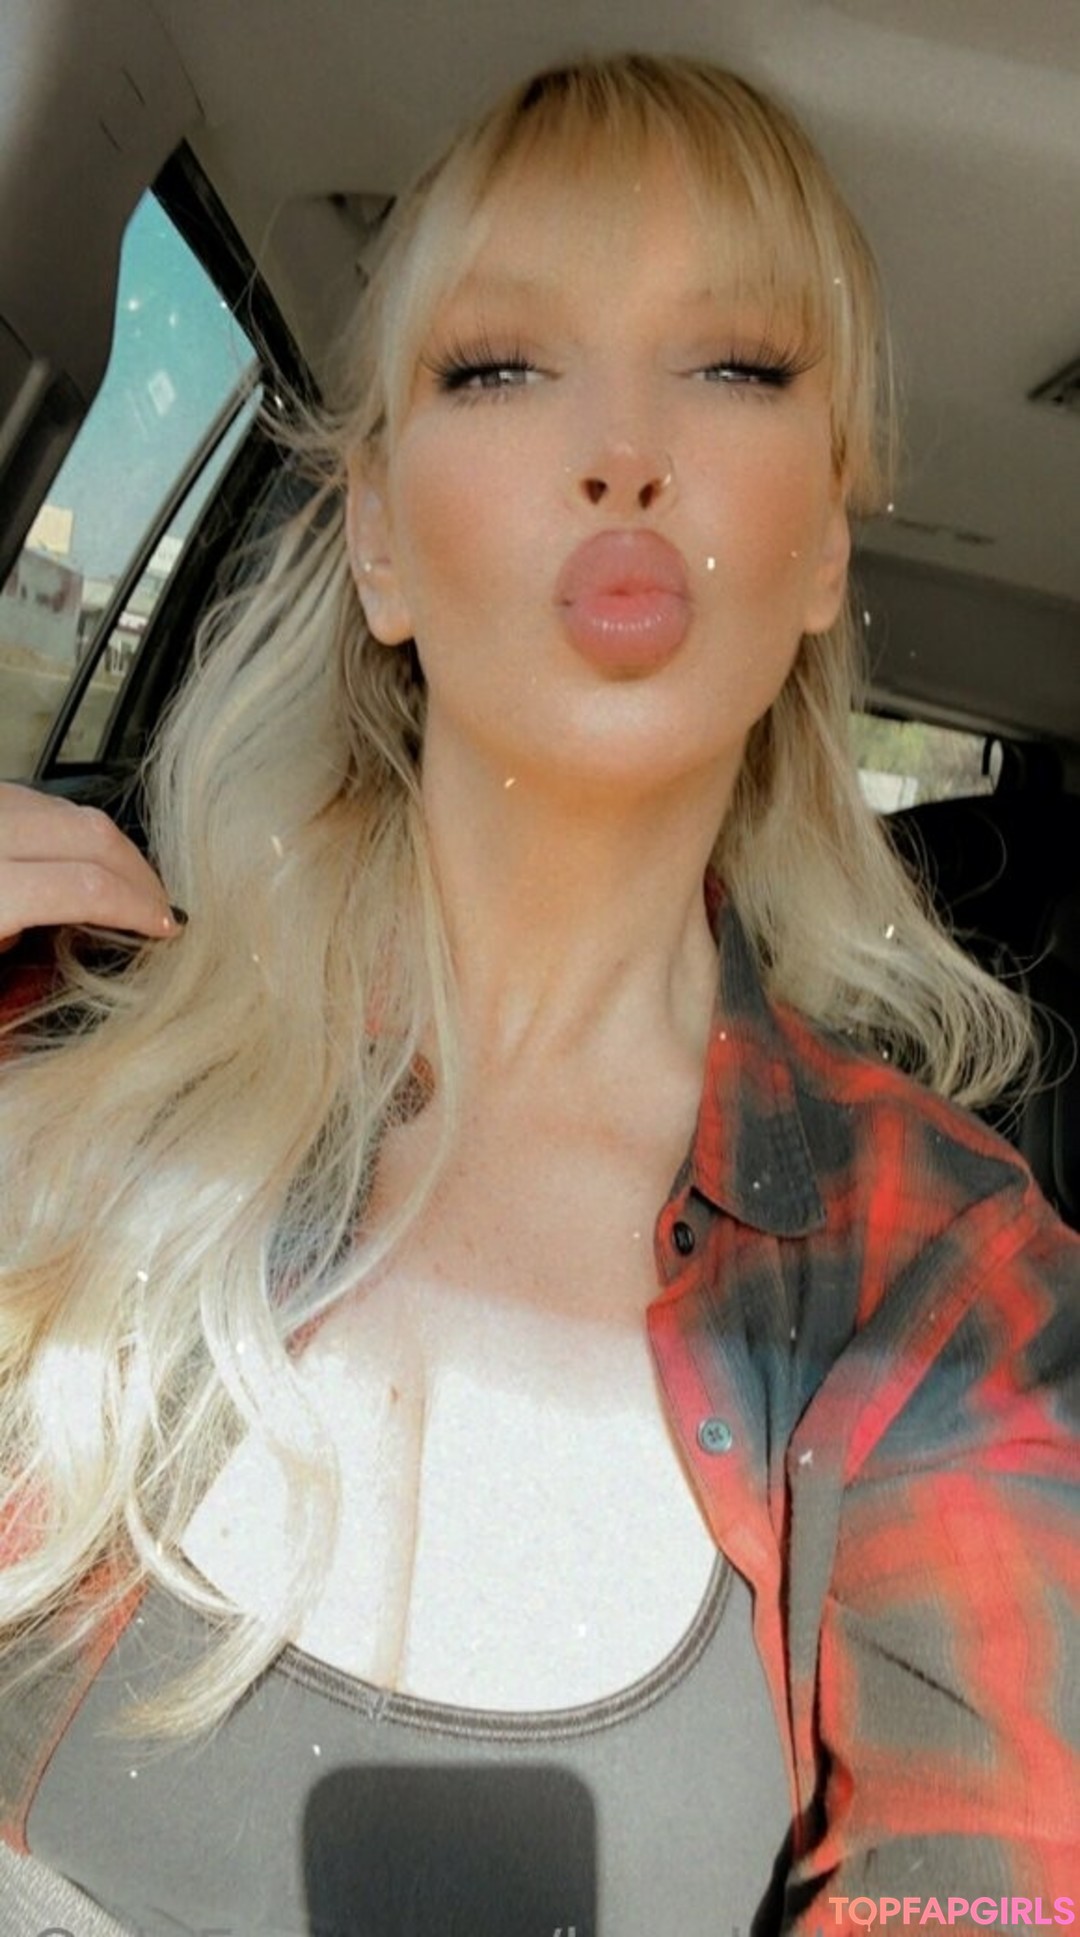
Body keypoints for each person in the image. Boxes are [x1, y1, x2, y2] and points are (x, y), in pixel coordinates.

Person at [0, 51, 1075, 1937]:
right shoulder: (57, 1032)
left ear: (824, 547)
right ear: (379, 542)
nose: (624, 447)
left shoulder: (956, 1277)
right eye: (502, 366)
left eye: (736, 366)